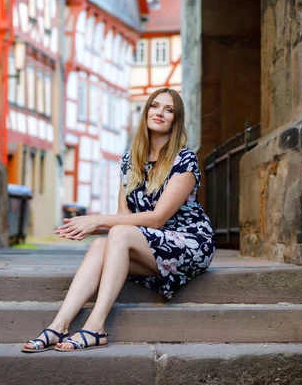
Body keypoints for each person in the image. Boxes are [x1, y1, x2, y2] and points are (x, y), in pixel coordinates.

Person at [22, 88, 216, 352]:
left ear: (176, 119)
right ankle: (59, 325)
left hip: (189, 242)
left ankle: (96, 327)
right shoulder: (129, 161)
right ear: (146, 111)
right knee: (100, 246)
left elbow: (158, 219)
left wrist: (97, 221)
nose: (159, 113)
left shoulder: (184, 160)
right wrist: (90, 228)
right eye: (154, 106)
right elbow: (125, 219)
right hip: (149, 244)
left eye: (168, 110)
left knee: (119, 234)